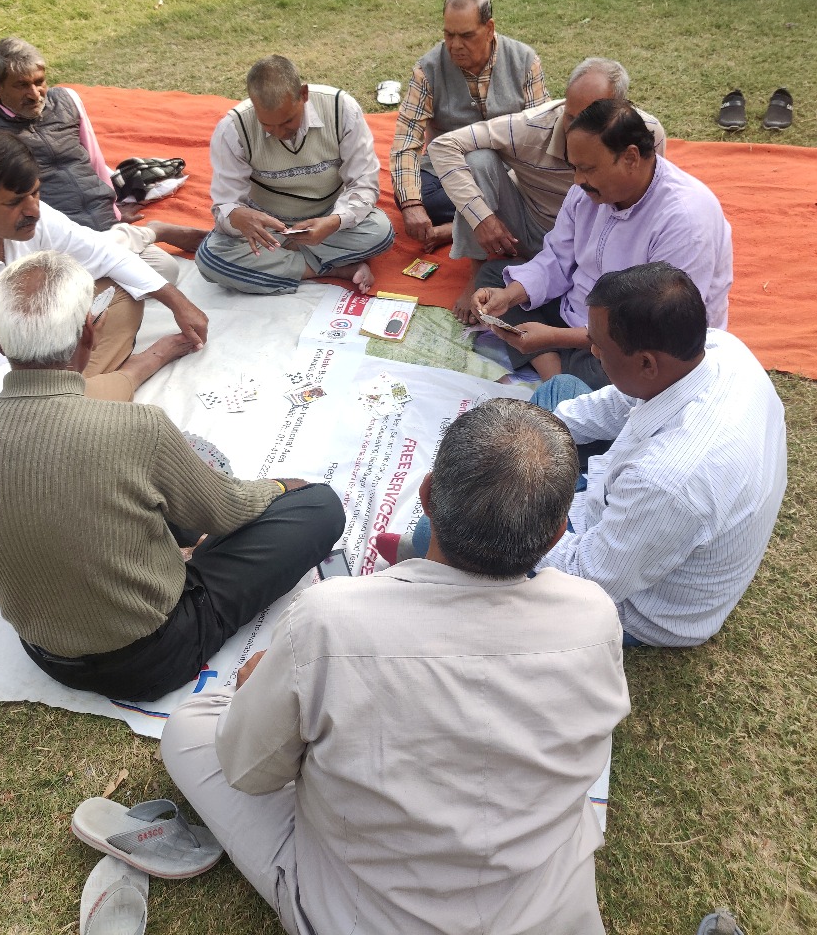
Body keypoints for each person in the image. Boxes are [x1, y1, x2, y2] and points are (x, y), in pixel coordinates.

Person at [159, 398, 630, 935]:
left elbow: (248, 771)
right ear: (555, 535)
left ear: (426, 497)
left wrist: (259, 693)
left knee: (191, 730)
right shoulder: (593, 617)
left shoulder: (327, 620)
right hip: (545, 917)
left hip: (363, 917)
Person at [0, 250, 344, 700]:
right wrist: (278, 487)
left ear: (0, 344)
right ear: (88, 334)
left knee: (158, 487)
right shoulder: (138, 428)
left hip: (41, 649)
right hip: (148, 657)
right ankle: (193, 558)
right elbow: (230, 512)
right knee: (319, 506)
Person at [0, 128, 209, 447]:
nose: (34, 210)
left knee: (121, 293)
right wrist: (54, 363)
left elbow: (101, 253)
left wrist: (175, 300)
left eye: (36, 193)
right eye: (14, 202)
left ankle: (85, 387)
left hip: (36, 353)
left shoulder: (27, 212)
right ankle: (136, 369)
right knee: (60, 431)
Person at [533, 263, 787, 648]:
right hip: (635, 522)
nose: (592, 349)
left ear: (647, 363)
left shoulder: (669, 481)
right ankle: (534, 475)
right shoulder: (719, 348)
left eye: (599, 344)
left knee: (438, 532)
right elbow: (624, 399)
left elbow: (585, 577)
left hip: (637, 607)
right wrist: (534, 432)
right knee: (559, 396)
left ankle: (525, 494)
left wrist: (510, 506)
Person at [472, 99, 732, 385]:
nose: (578, 180)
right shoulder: (587, 191)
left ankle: (554, 371)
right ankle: (554, 374)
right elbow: (557, 258)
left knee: (634, 378)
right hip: (576, 310)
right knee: (497, 280)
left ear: (631, 158)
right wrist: (509, 297)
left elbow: (655, 325)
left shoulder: (684, 218)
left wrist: (556, 337)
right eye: (575, 168)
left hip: (630, 335)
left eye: (588, 169)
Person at [428, 57, 666, 321]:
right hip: (535, 231)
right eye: (571, 117)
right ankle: (479, 269)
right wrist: (480, 217)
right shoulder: (530, 127)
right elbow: (443, 145)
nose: (577, 132)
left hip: (597, 242)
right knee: (478, 160)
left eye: (592, 122)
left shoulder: (648, 137)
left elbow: (647, 207)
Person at [0, 37, 205, 281]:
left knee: (165, 270)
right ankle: (151, 233)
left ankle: (110, 253)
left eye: (39, 82)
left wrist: (114, 208)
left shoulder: (67, 100)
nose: (34, 95)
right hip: (51, 236)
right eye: (21, 85)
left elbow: (94, 161)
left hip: (101, 221)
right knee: (65, 283)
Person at [195, 55, 394, 295]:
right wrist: (237, 216)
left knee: (380, 232)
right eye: (268, 125)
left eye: (288, 121)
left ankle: (286, 262)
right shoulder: (233, 128)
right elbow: (225, 205)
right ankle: (334, 268)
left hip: (328, 219)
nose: (279, 133)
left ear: (304, 94)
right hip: (267, 229)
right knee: (211, 259)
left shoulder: (341, 108)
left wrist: (334, 221)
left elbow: (363, 184)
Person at [389, 0, 548, 253]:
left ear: (489, 28)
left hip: (508, 174)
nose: (455, 45)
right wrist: (412, 205)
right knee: (416, 195)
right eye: (448, 35)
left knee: (532, 190)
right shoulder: (427, 68)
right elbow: (407, 140)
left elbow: (540, 134)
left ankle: (457, 228)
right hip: (447, 173)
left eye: (466, 36)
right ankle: (487, 221)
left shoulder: (524, 61)